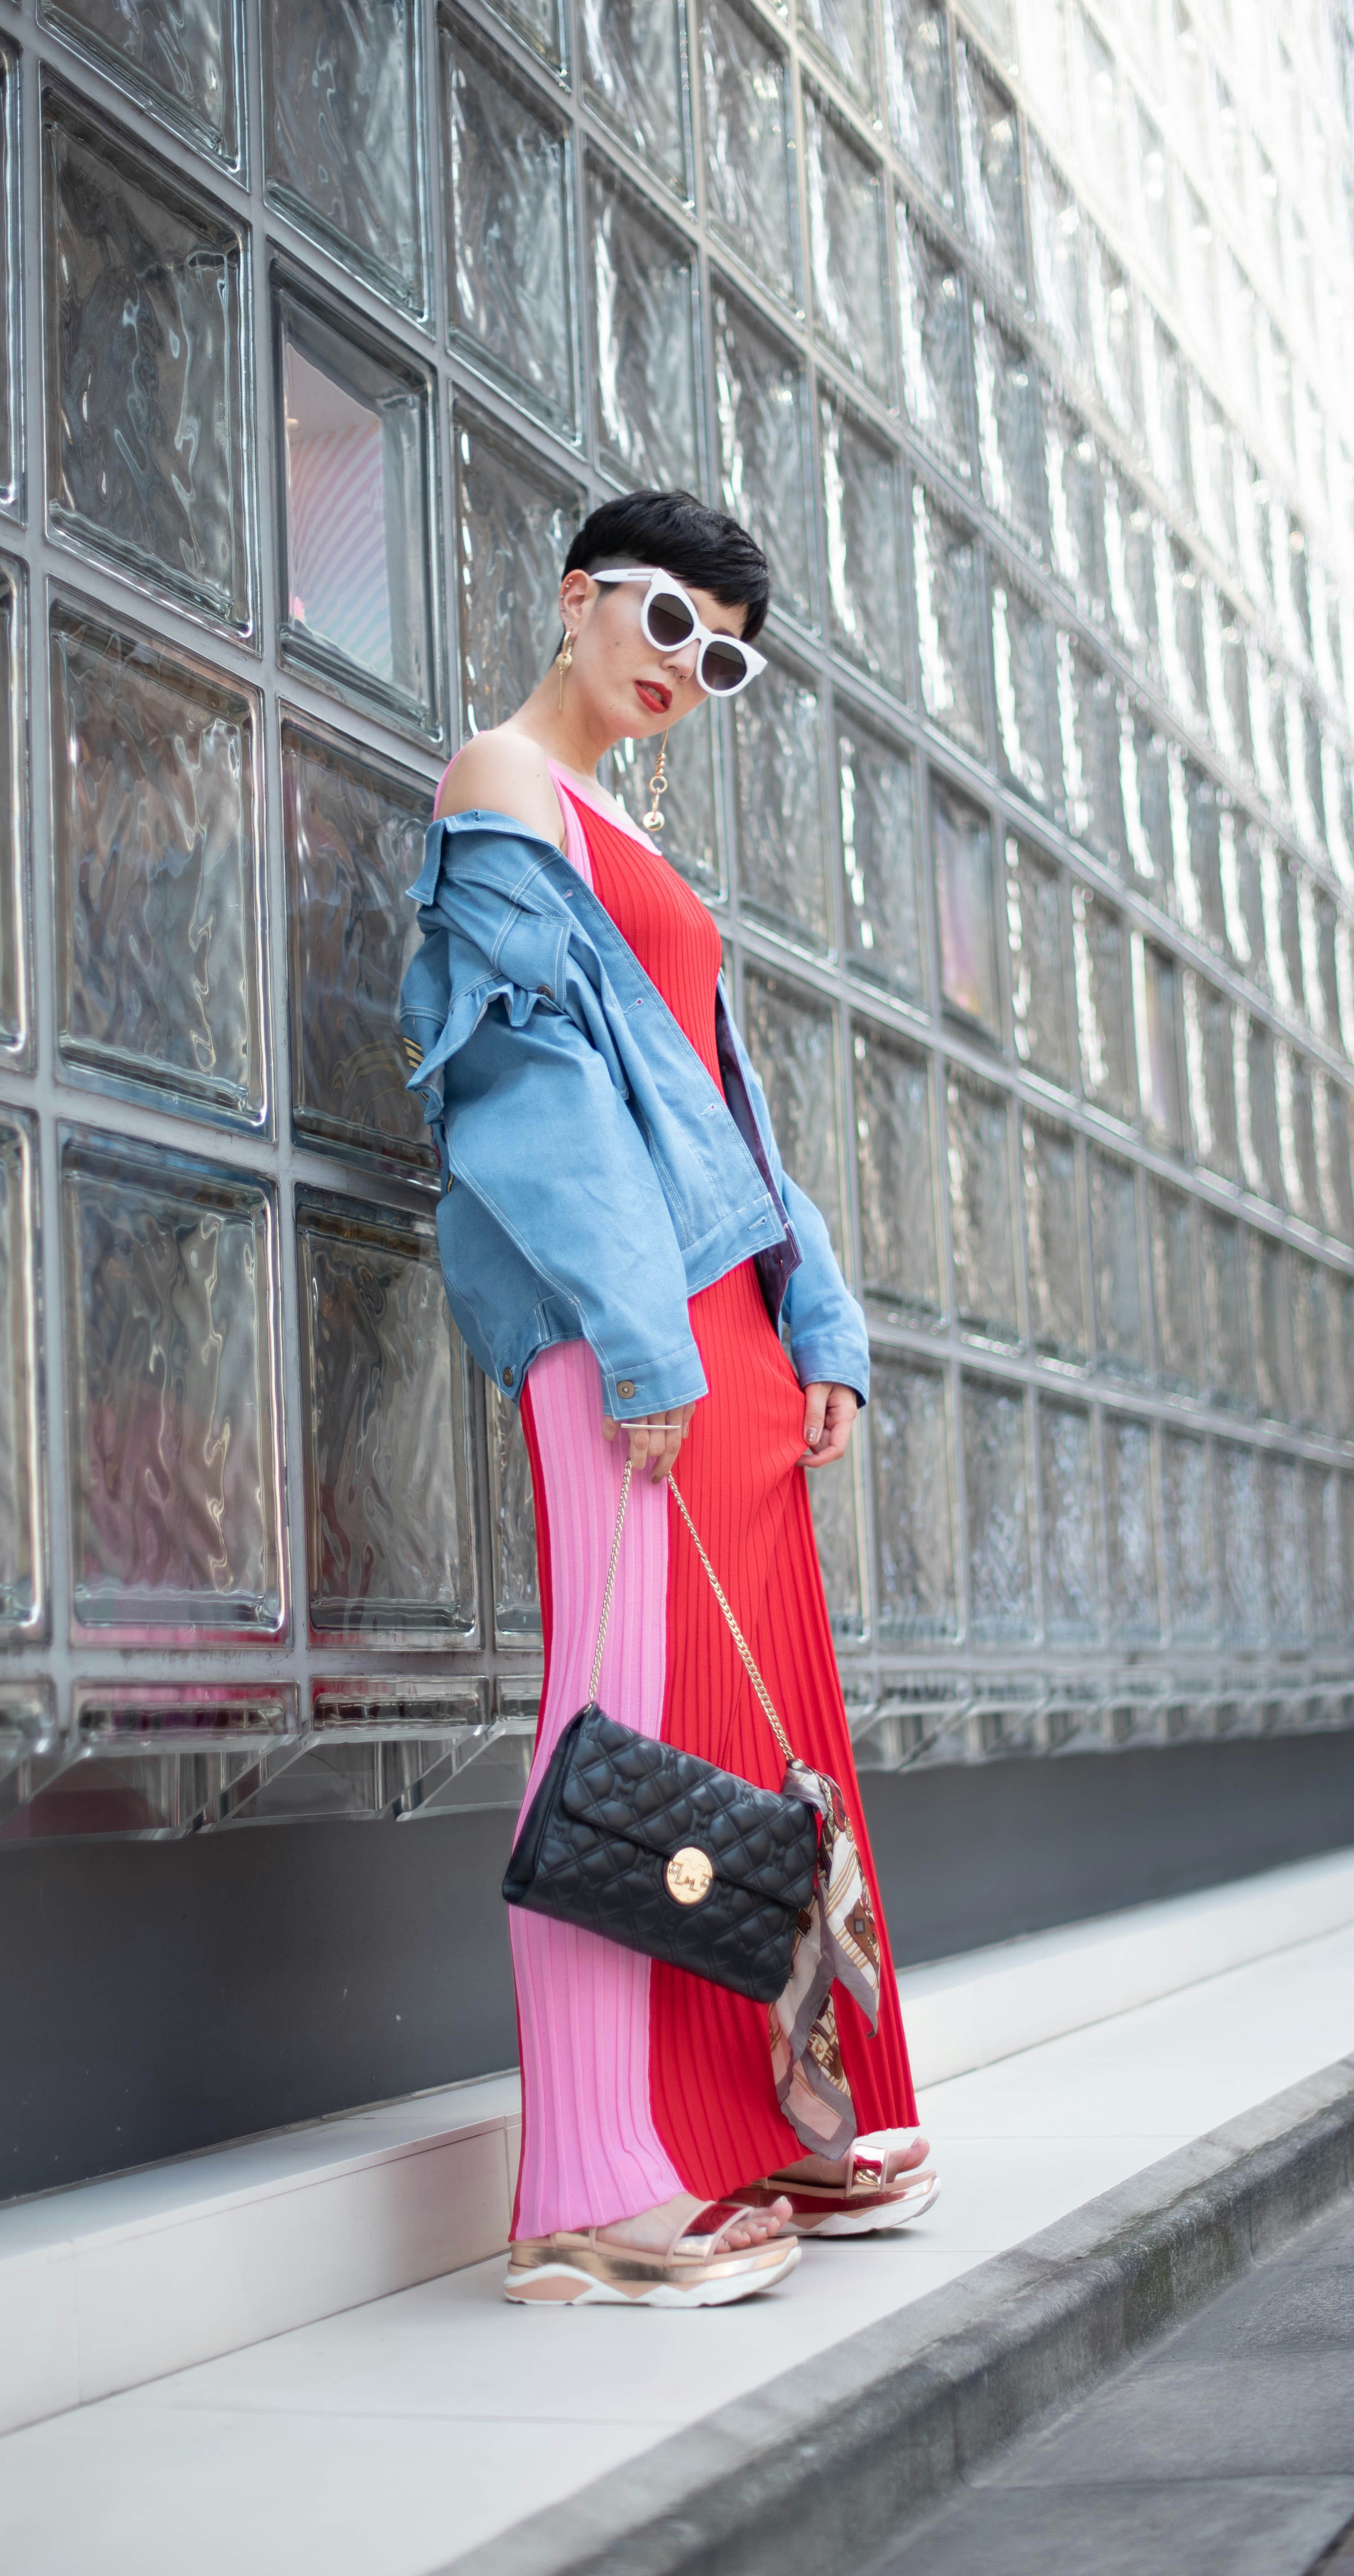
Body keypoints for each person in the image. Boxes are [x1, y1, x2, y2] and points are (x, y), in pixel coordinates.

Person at [401, 487, 934, 2308]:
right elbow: (527, 1102)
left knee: (724, 1727)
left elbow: (723, 1105)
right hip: (627, 1329)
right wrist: (642, 1337)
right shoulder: (500, 783)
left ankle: (746, 2114)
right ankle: (588, 2187)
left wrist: (822, 1327)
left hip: (724, 1341)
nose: (686, 670)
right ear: (574, 598)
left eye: (723, 656)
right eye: (662, 623)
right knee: (614, 1726)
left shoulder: (619, 818)